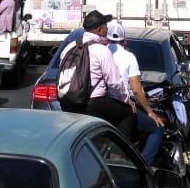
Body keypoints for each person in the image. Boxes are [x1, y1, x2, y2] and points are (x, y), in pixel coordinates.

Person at [57, 10, 134, 139]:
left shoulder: (70, 46)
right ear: (99, 30)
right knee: (128, 114)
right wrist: (127, 100)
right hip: (92, 104)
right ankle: (117, 153)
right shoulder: (101, 50)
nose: (107, 28)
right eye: (105, 25)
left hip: (67, 102)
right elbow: (114, 83)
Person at [106, 21, 165, 164]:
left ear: (106, 39)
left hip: (100, 105)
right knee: (157, 129)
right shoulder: (129, 57)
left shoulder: (101, 52)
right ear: (124, 41)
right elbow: (137, 91)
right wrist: (150, 112)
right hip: (121, 106)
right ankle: (144, 168)